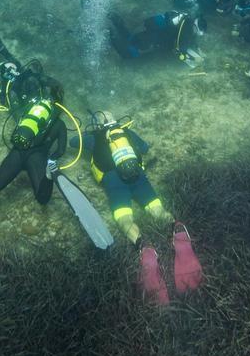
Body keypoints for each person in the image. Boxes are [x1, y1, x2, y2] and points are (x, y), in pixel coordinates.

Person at [75, 111, 204, 305]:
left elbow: (73, 143)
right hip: (139, 178)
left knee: (124, 219)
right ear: (114, 120)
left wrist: (92, 134)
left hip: (114, 182)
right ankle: (177, 228)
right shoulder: (127, 132)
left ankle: (144, 246)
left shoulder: (94, 137)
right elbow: (144, 147)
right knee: (157, 210)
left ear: (99, 124)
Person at [0, 94, 67, 205]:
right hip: (36, 158)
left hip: (18, 152)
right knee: (43, 199)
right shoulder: (60, 124)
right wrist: (51, 159)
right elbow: (61, 150)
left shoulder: (28, 114)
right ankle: (48, 176)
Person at [109, 9, 207, 66]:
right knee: (128, 54)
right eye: (196, 31)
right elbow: (181, 49)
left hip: (152, 27)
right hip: (153, 36)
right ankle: (109, 35)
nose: (195, 33)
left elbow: (189, 39)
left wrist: (198, 48)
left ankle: (115, 20)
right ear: (195, 26)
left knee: (131, 38)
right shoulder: (187, 28)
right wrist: (195, 59)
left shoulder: (188, 21)